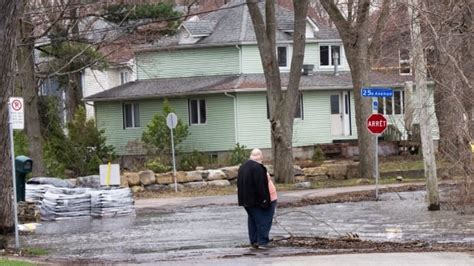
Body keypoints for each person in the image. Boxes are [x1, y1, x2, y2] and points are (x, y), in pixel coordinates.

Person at [237, 148, 277, 249]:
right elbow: (260, 186)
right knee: (264, 220)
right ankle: (262, 242)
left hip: (247, 201)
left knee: (253, 220)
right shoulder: (258, 168)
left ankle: (254, 241)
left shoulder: (243, 167)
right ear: (261, 157)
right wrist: (264, 201)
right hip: (259, 200)